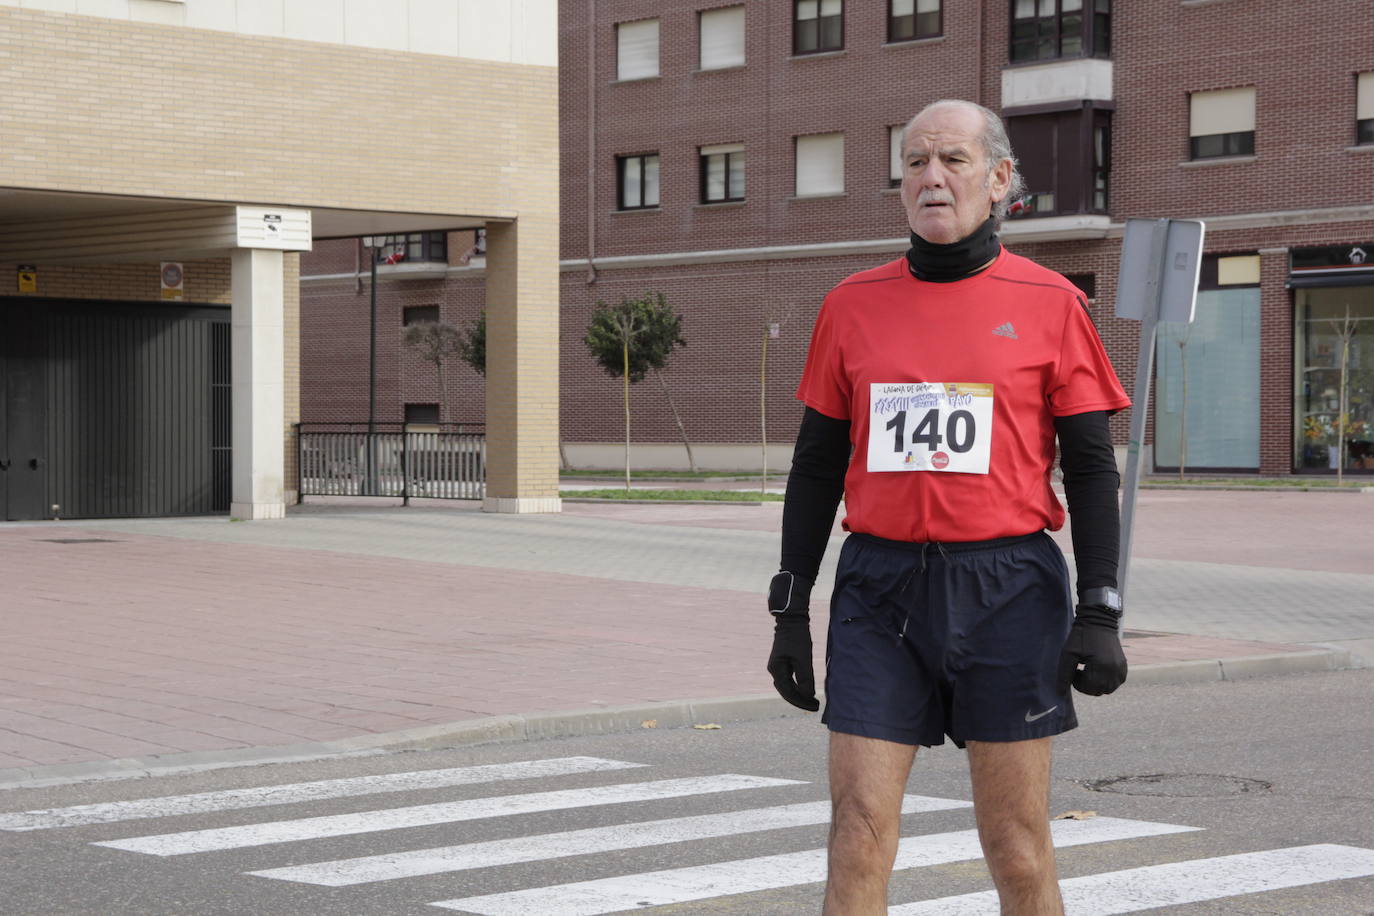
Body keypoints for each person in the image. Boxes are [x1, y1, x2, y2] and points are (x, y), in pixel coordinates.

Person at [766, 98, 1131, 915]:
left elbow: (1091, 466)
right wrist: (790, 608)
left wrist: (1100, 605)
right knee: (857, 831)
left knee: (1017, 844)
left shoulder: (1050, 303)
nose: (933, 176)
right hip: (879, 590)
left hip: (1008, 588)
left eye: (954, 160)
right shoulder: (851, 304)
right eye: (916, 162)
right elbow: (818, 465)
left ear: (1000, 180)